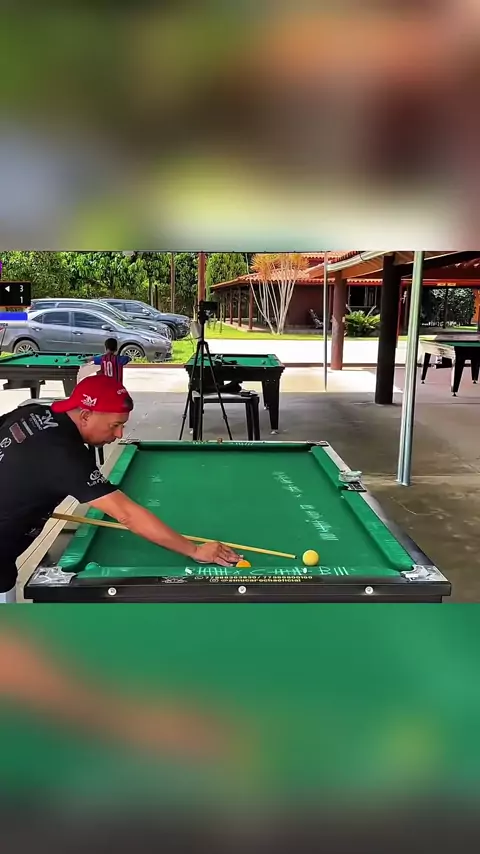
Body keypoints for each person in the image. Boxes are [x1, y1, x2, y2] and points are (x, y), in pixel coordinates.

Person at [0, 373, 239, 603]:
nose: (119, 434)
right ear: (85, 416)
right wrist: (195, 551)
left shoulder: (32, 412)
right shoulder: (64, 455)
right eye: (115, 425)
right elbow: (127, 514)